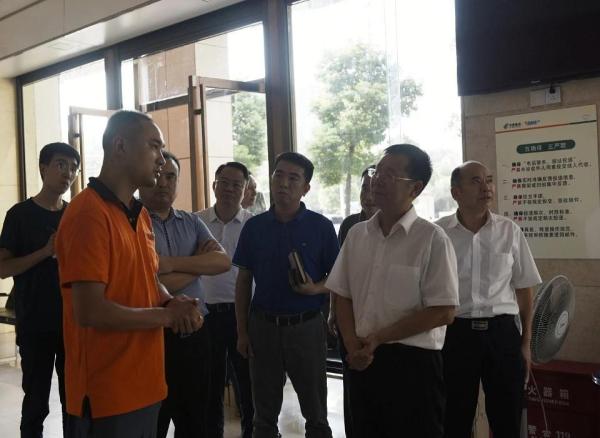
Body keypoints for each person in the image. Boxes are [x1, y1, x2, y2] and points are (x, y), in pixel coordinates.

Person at [55, 110, 204, 438]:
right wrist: (166, 317)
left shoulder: (140, 215)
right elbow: (90, 311)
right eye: (154, 147)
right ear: (120, 146)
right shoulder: (88, 214)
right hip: (108, 393)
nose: (161, 160)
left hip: (146, 384)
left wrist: (171, 302)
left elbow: (148, 280)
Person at [326, 144, 459, 438]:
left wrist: (379, 338)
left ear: (415, 188)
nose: (377, 180)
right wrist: (351, 344)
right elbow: (343, 293)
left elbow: (444, 311)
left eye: (390, 175)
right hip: (361, 358)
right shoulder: (357, 234)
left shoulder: (432, 239)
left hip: (412, 365)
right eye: (377, 172)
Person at [234, 152, 339, 438]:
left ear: (306, 188)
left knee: (316, 414)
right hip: (262, 327)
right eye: (278, 175)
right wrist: (242, 332)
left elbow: (339, 279)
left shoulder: (321, 226)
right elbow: (243, 281)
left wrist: (314, 288)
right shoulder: (254, 227)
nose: (283, 183)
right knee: (263, 415)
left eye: (293, 178)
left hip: (306, 327)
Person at [436, 161, 541, 438]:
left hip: (502, 333)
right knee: (453, 418)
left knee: (507, 419)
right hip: (455, 334)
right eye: (476, 181)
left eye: (489, 180)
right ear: (456, 192)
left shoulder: (509, 231)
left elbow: (524, 288)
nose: (487, 187)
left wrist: (526, 342)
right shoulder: (438, 234)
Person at [140, 150, 231, 438]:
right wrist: (197, 266)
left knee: (195, 420)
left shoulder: (191, 222)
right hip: (152, 335)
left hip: (196, 334)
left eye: (171, 177)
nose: (163, 183)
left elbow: (222, 262)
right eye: (158, 175)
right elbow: (144, 282)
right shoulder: (132, 223)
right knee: (153, 421)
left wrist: (169, 264)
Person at [0, 142, 80, 438]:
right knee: (36, 401)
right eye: (61, 165)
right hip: (34, 321)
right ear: (43, 168)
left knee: (74, 400)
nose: (68, 173)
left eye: (73, 168)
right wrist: (45, 252)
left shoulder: (75, 215)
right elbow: (3, 269)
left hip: (72, 321)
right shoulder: (20, 215)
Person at [196, 162, 254, 438]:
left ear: (245, 190)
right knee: (210, 384)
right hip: (205, 314)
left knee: (248, 383)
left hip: (243, 315)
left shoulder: (254, 224)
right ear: (214, 185)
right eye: (225, 182)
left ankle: (252, 432)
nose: (230, 189)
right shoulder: (196, 221)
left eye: (237, 184)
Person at [327, 164, 376, 438]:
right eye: (364, 188)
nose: (368, 196)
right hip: (351, 320)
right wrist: (333, 311)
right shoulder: (350, 226)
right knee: (354, 393)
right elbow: (339, 274)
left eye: (373, 188)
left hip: (384, 327)